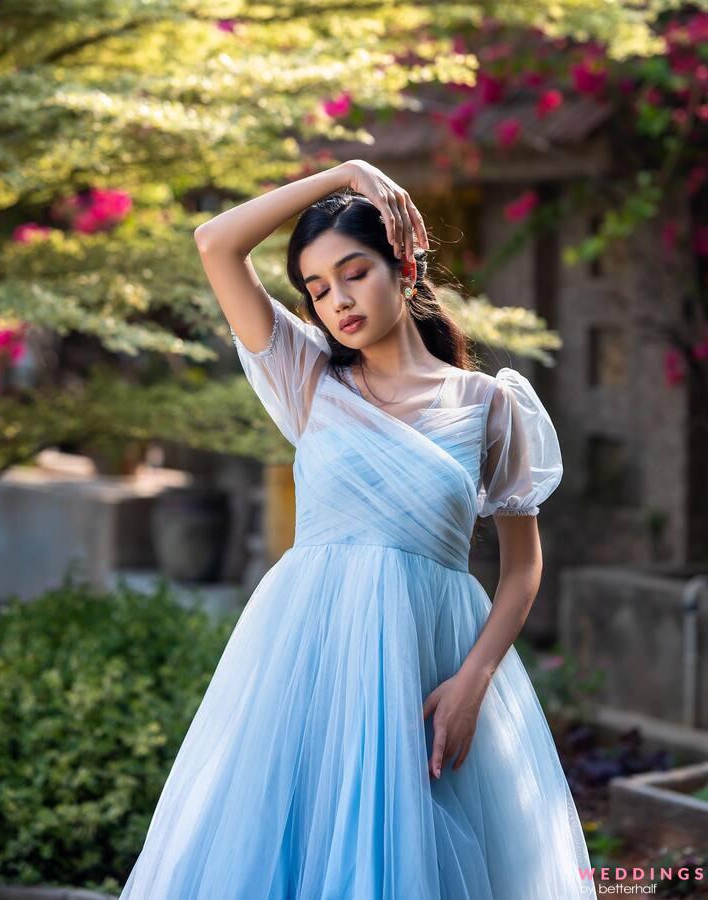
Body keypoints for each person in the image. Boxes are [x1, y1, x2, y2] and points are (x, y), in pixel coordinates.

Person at [118, 159, 597, 899]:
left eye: (353, 273)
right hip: (307, 660)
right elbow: (215, 242)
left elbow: (523, 567)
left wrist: (473, 682)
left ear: (403, 267)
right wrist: (343, 172)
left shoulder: (487, 405)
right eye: (316, 289)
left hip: (428, 660)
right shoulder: (306, 378)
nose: (336, 301)